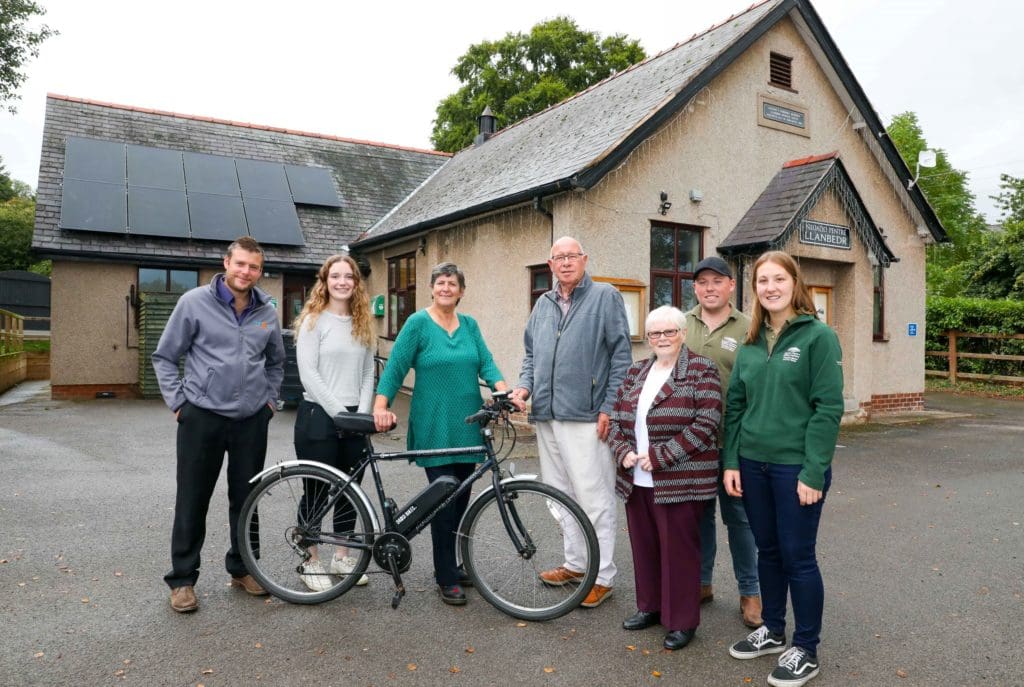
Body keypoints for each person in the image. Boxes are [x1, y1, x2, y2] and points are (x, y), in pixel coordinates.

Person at [723, 251, 844, 687]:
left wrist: (813, 471)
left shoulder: (819, 337)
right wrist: (732, 461)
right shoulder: (751, 341)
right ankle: (773, 630)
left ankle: (806, 649)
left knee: (798, 557)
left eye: (778, 279)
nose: (770, 287)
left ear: (795, 283)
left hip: (795, 469)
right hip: (752, 464)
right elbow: (736, 406)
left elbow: (828, 408)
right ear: (754, 288)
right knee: (767, 551)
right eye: (762, 281)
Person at [153, 236, 285, 613]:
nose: (246, 272)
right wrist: (180, 404)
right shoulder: (193, 302)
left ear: (260, 271)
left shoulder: (266, 312)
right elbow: (165, 357)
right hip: (202, 417)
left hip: (251, 420)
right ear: (226, 263)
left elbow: (276, 362)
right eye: (240, 264)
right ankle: (182, 579)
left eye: (254, 267)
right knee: (192, 498)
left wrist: (269, 402)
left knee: (247, 499)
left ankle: (243, 569)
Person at [372, 262, 512, 606]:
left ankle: (449, 565)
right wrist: (380, 406)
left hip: (467, 424)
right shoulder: (417, 323)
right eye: (440, 283)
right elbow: (395, 367)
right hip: (434, 423)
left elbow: (486, 362)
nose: (446, 288)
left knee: (460, 500)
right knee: (443, 501)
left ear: (461, 291)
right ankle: (446, 576)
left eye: (452, 283)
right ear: (432, 289)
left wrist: (503, 392)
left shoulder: (470, 325)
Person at [511, 236, 632, 608]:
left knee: (594, 497)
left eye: (571, 256)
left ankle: (602, 576)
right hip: (547, 415)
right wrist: (524, 387)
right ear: (550, 265)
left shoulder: (605, 297)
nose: (565, 262)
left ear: (584, 259)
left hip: (587, 416)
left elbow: (621, 356)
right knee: (560, 495)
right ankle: (577, 564)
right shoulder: (543, 303)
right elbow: (531, 355)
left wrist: (609, 407)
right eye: (558, 257)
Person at [609, 306, 721, 651]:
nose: (662, 338)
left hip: (681, 479)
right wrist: (622, 451)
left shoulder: (702, 369)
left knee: (679, 553)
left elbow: (706, 423)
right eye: (655, 333)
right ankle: (651, 607)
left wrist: (659, 457)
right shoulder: (636, 371)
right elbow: (616, 418)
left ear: (683, 334)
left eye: (669, 331)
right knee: (645, 547)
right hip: (636, 479)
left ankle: (682, 620)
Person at [686, 256, 762, 628]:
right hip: (692, 444)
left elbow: (758, 385)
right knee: (699, 517)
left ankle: (751, 592)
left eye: (717, 281)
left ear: (731, 285)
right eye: (703, 282)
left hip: (734, 442)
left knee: (740, 520)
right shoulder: (681, 324)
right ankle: (702, 583)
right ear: (695, 288)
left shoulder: (750, 327)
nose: (710, 288)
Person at [292, 254, 373, 591]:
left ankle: (342, 556)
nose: (342, 282)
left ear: (356, 282)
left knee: (349, 491)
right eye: (335, 276)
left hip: (354, 418)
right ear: (324, 282)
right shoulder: (313, 321)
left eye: (348, 276)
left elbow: (368, 372)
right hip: (319, 417)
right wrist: (340, 413)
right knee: (315, 492)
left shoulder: (362, 322)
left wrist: (361, 415)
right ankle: (310, 561)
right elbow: (309, 374)